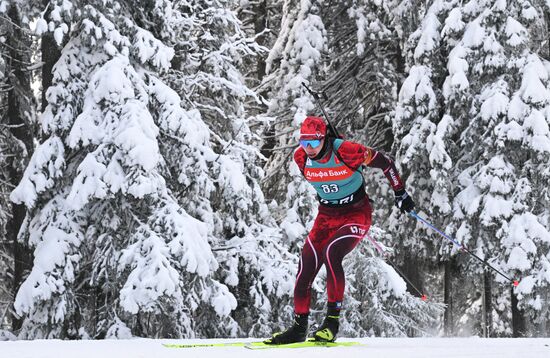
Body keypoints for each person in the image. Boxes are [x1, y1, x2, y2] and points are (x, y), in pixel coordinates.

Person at [265, 116, 415, 345]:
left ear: (324, 139)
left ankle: (331, 324)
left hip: (356, 213)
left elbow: (385, 162)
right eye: (304, 143)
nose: (309, 149)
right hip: (326, 217)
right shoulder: (301, 157)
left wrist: (400, 193)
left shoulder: (347, 151)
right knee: (306, 264)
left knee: (332, 253)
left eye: (314, 143)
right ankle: (298, 328)